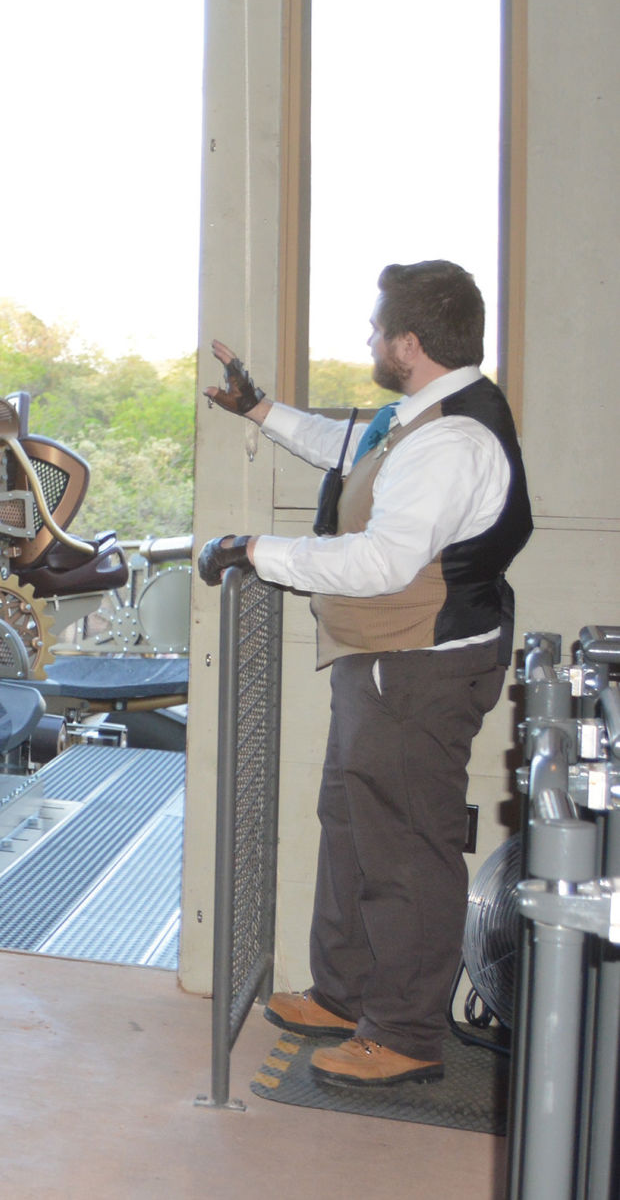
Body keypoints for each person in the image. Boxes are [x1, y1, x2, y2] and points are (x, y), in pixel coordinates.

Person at [198, 259, 532, 1089]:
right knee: (351, 822)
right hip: (382, 664)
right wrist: (260, 408)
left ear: (409, 344)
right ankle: (347, 992)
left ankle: (409, 1032)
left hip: (418, 670)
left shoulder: (452, 440)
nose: (370, 339)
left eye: (378, 328)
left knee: (406, 847)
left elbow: (383, 562)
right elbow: (349, 445)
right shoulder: (415, 416)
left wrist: (253, 550)